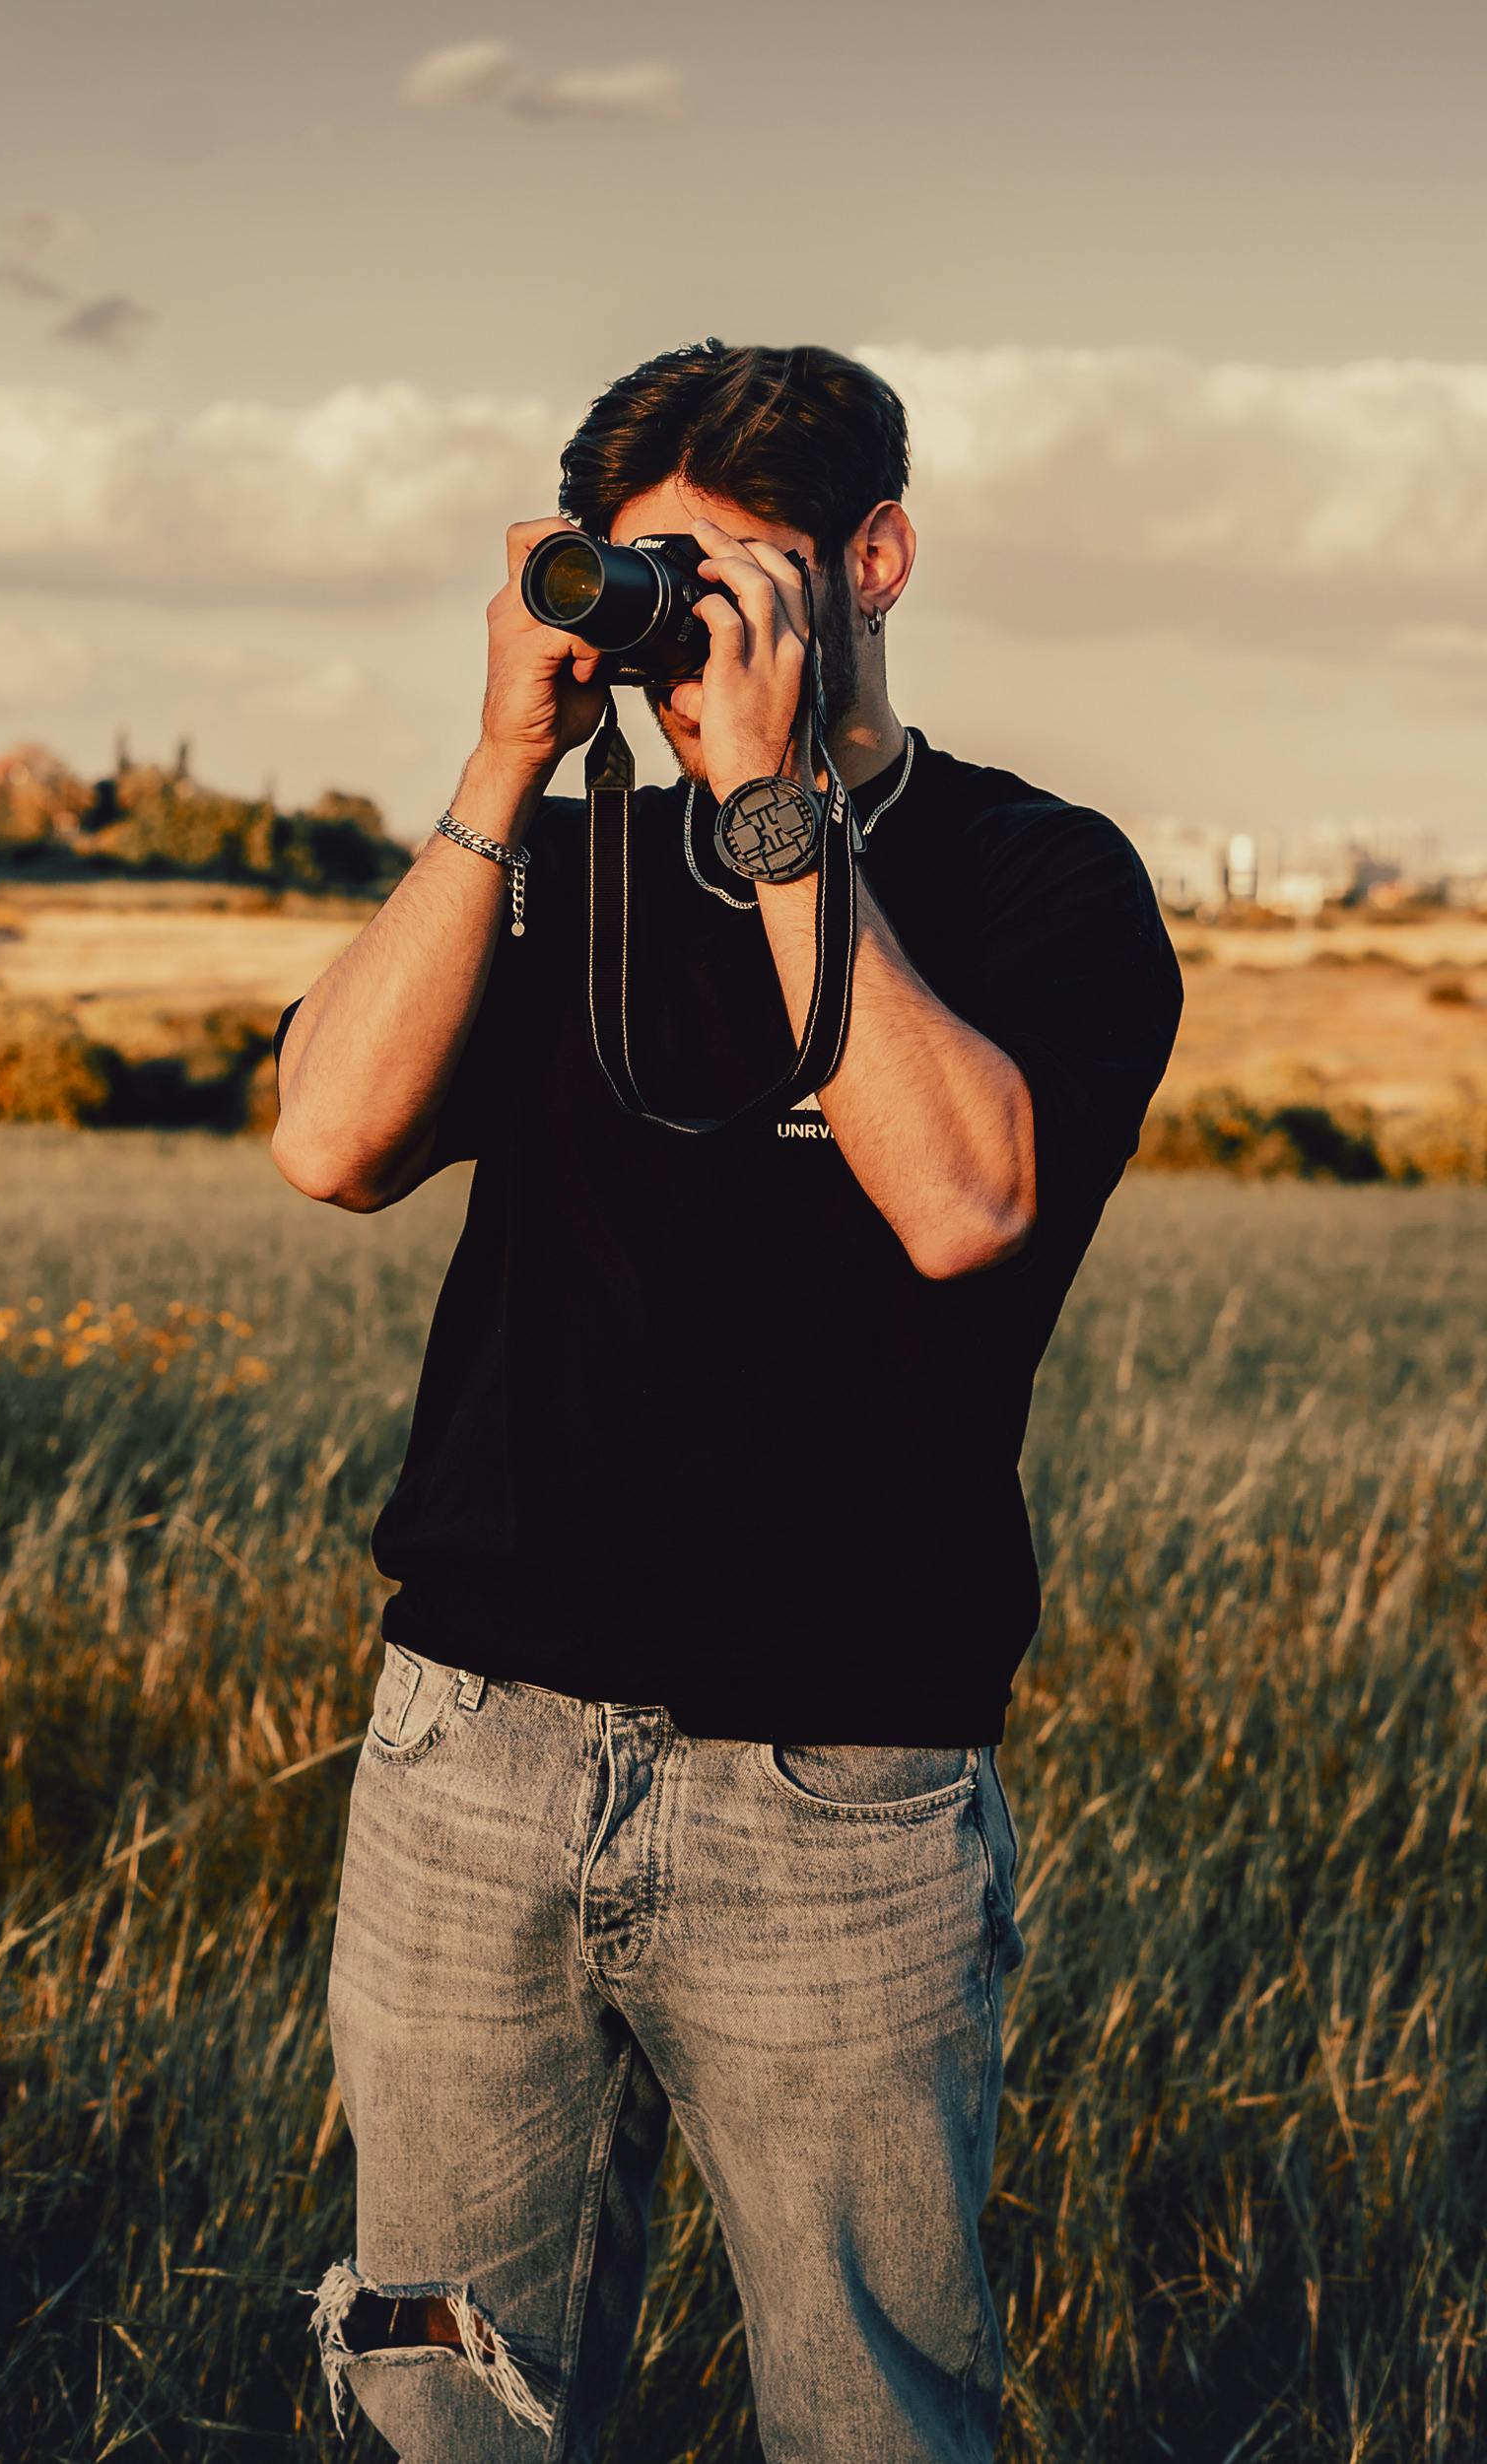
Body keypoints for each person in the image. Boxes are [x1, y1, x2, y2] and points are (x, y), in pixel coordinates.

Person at [271, 339, 1184, 2464]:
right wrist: (503, 762)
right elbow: (328, 1137)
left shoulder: (1040, 880)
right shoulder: (564, 865)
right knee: (444, 2401)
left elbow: (965, 1199)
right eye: (646, 580)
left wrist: (775, 814)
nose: (689, 632)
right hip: (471, 1743)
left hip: (837, 1779)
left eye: (740, 579)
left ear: (876, 557)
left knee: (869, 2412)